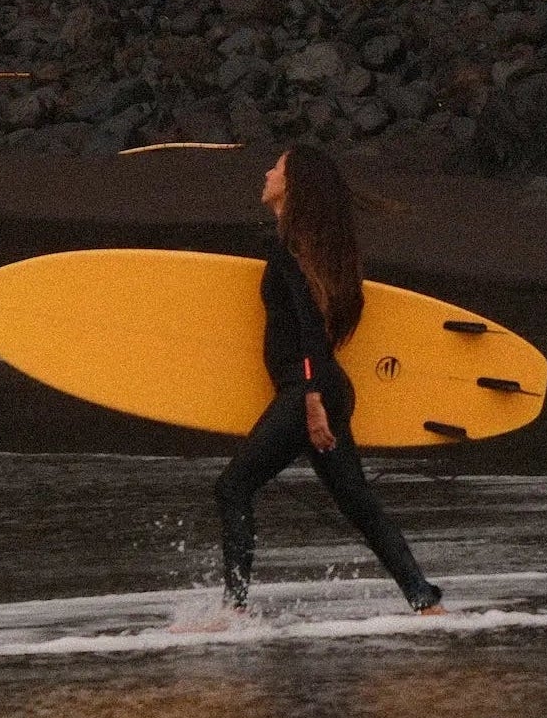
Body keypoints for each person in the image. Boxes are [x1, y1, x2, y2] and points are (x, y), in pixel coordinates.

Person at [185, 145, 445, 628]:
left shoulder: (292, 249)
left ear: (293, 185)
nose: (267, 173)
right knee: (357, 503)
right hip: (320, 388)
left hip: (309, 392)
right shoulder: (304, 245)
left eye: (277, 168)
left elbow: (311, 329)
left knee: (233, 486)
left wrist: (310, 399)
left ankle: (233, 609)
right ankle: (425, 600)